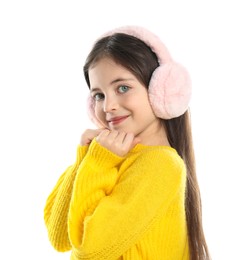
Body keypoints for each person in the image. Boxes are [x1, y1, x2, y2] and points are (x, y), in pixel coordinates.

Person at [44, 25, 210, 260]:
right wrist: (85, 159)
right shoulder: (111, 156)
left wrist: (98, 164)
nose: (108, 106)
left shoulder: (160, 165)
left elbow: (89, 250)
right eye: (99, 95)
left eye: (123, 88)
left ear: (160, 91)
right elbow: (59, 236)